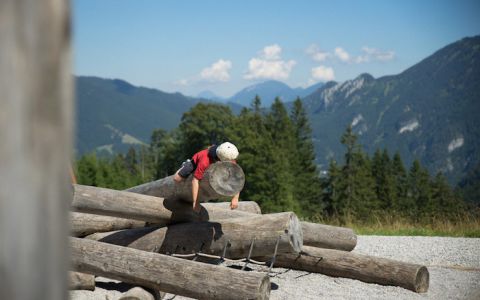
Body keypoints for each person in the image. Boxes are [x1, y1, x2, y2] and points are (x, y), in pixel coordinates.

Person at [174, 142, 240, 212]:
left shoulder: (229, 157)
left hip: (215, 164)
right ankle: (186, 164)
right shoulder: (205, 160)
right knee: (177, 178)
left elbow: (235, 177)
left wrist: (236, 198)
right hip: (196, 162)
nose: (232, 161)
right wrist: (195, 202)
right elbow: (195, 180)